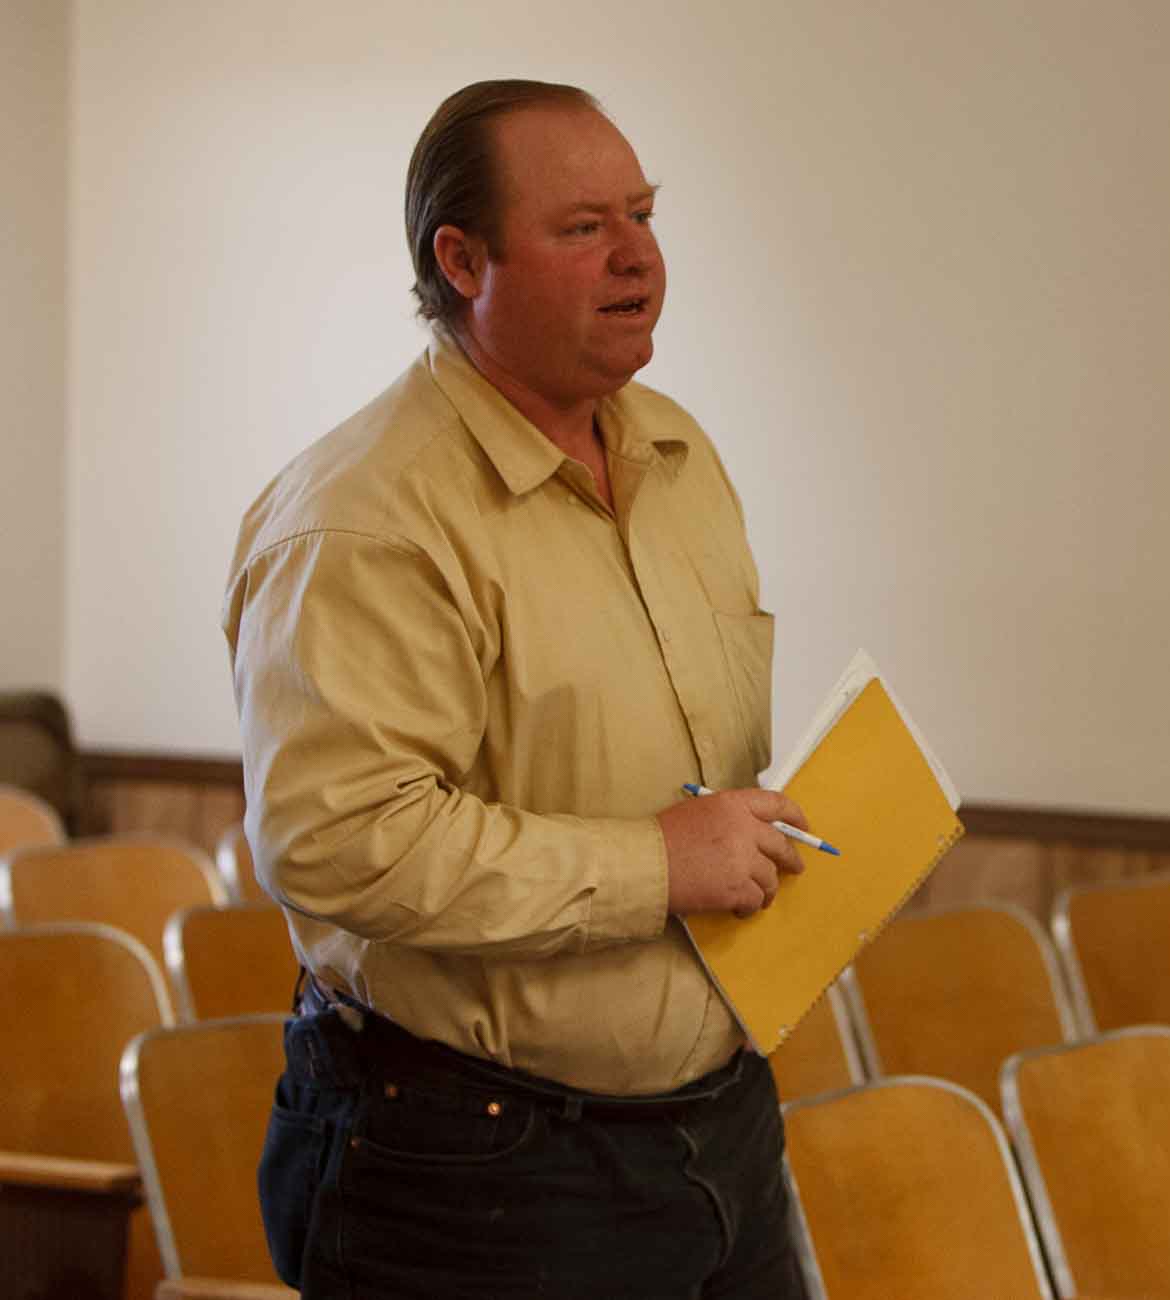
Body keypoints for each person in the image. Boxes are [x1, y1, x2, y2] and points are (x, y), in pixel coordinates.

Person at [223, 79, 812, 1298]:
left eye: (644, 215)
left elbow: (678, 775)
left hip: (721, 1130)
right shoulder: (365, 517)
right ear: (463, 258)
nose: (639, 257)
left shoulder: (680, 453)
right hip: (474, 1167)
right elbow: (338, 839)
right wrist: (659, 862)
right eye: (583, 227)